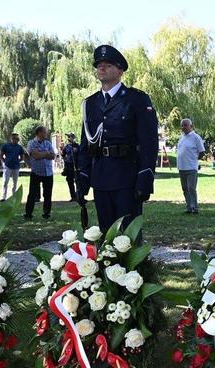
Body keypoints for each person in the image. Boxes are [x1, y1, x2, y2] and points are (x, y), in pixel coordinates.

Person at [77, 45, 158, 232]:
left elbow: (149, 142)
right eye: (99, 65)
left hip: (127, 177)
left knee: (128, 235)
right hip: (101, 177)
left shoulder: (136, 99)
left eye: (108, 65)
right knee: (105, 234)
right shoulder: (90, 103)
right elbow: (85, 144)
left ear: (120, 70)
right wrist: (83, 178)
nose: (102, 68)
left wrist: (146, 177)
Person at [24, 126, 55, 219]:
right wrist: (46, 153)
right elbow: (35, 156)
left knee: (48, 194)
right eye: (44, 132)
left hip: (48, 173)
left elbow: (53, 156)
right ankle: (28, 213)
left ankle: (46, 213)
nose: (46, 133)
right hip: (36, 172)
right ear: (39, 133)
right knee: (32, 194)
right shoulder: (31, 143)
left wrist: (42, 153)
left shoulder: (48, 143)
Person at [176, 118, 205, 214]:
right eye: (182, 125)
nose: (183, 127)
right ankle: (189, 207)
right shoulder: (181, 137)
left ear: (191, 126)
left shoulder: (196, 137)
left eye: (185, 125)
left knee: (191, 188)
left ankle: (195, 208)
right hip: (182, 167)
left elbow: (202, 152)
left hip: (191, 167)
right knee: (185, 188)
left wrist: (194, 159)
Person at [0, 133, 23, 201]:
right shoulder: (5, 146)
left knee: (14, 183)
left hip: (16, 167)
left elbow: (22, 157)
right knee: (5, 181)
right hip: (7, 166)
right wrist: (5, 162)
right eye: (13, 138)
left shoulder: (19, 147)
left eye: (16, 139)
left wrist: (17, 161)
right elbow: (0, 155)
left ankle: (13, 196)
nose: (15, 140)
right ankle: (3, 197)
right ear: (11, 138)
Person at [62, 133, 80, 202]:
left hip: (76, 166)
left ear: (73, 138)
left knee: (78, 182)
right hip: (69, 167)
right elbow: (63, 155)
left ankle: (80, 196)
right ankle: (73, 196)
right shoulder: (66, 147)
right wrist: (65, 160)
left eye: (70, 137)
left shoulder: (78, 146)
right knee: (70, 182)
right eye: (68, 137)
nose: (69, 138)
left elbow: (81, 156)